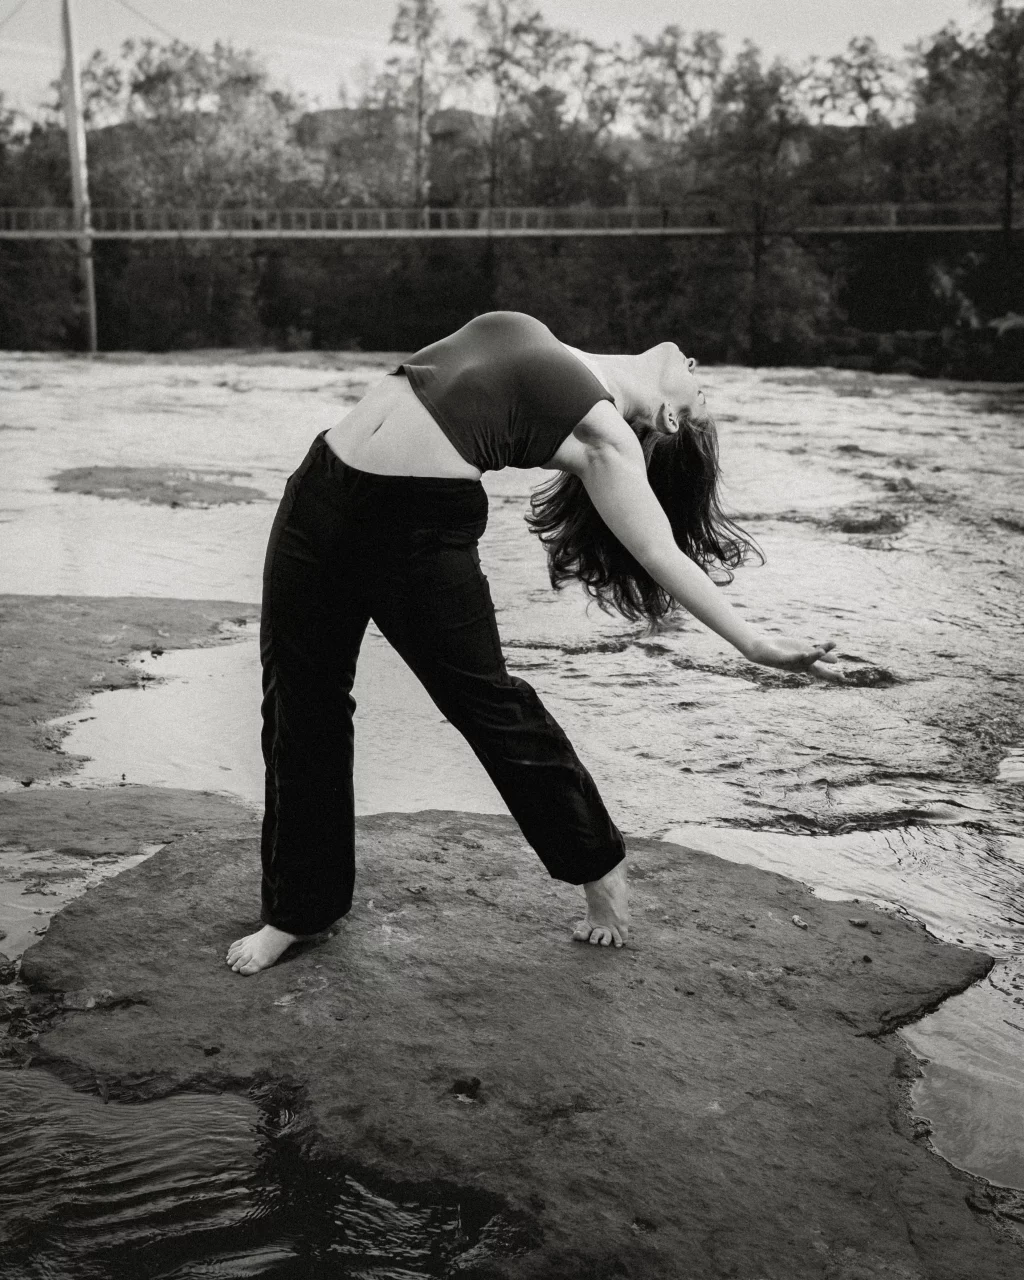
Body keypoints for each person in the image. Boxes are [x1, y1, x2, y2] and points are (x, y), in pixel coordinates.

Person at [227, 311, 839, 976]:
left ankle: (598, 865)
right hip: (318, 488)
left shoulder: (607, 438)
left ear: (669, 419)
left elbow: (658, 551)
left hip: (414, 527)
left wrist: (755, 644)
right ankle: (301, 908)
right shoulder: (574, 368)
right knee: (298, 700)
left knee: (488, 706)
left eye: (703, 395)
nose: (698, 371)